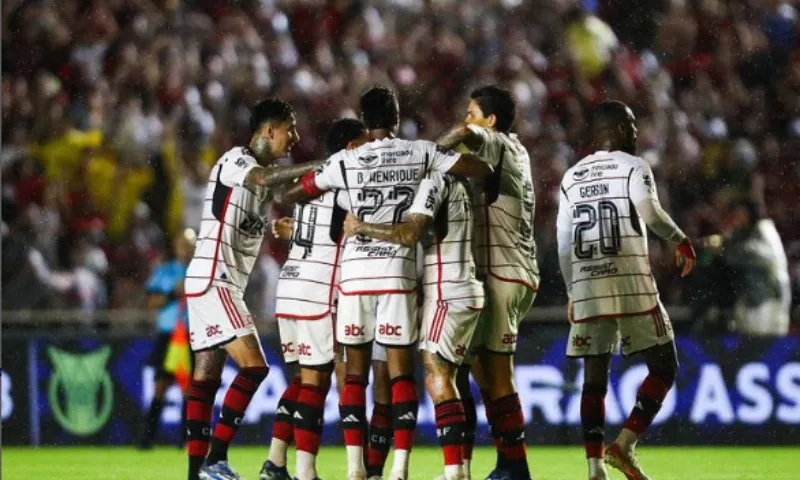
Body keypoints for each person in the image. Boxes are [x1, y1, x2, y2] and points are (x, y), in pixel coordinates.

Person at [281, 85, 493, 480]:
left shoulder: (347, 160)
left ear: (363, 120)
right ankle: (399, 469)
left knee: (355, 376)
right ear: (396, 118)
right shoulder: (421, 152)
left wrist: (335, 175)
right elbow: (480, 170)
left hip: (356, 274)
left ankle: (354, 469)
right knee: (399, 374)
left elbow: (296, 192)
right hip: (397, 272)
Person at [183, 98, 323, 480]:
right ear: (269, 129)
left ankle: (197, 472)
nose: (294, 137)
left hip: (214, 282)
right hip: (215, 279)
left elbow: (285, 192)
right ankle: (216, 459)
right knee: (255, 367)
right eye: (289, 129)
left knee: (206, 378)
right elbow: (263, 181)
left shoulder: (267, 175)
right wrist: (325, 165)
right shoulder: (236, 161)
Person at [556, 100, 696, 480]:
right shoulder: (633, 166)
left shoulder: (571, 177)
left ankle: (594, 468)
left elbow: (563, 241)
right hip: (629, 279)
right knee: (664, 366)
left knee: (594, 379)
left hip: (587, 283)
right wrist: (681, 240)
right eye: (631, 125)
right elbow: (649, 211)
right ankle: (624, 444)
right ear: (617, 130)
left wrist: (572, 289)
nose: (636, 132)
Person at [343, 168, 484, 480]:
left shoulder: (434, 180)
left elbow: (409, 234)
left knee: (436, 377)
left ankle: (454, 473)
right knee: (455, 381)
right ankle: (460, 469)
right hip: (468, 287)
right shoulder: (463, 183)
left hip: (447, 290)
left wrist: (360, 226)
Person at [436, 85, 539, 479]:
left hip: (501, 271)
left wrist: (428, 153)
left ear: (490, 121)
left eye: (472, 112)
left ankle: (515, 466)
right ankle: (495, 464)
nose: (466, 119)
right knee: (478, 370)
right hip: (513, 270)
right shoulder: (516, 149)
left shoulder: (493, 141)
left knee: (496, 375)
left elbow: (463, 136)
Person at [260, 118, 370, 480]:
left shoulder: (310, 184)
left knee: (303, 380)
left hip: (290, 286)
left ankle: (276, 462)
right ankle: (307, 473)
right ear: (352, 148)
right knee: (324, 380)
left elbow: (314, 226)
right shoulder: (346, 181)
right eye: (364, 143)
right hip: (317, 292)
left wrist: (291, 229)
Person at [138, 229, 196, 450]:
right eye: (182, 244)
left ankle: (186, 439)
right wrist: (174, 294)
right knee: (160, 386)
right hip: (169, 334)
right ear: (176, 246)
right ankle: (147, 439)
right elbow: (151, 303)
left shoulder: (200, 271)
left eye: (190, 244)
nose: (185, 249)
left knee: (189, 388)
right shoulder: (165, 272)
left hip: (192, 335)